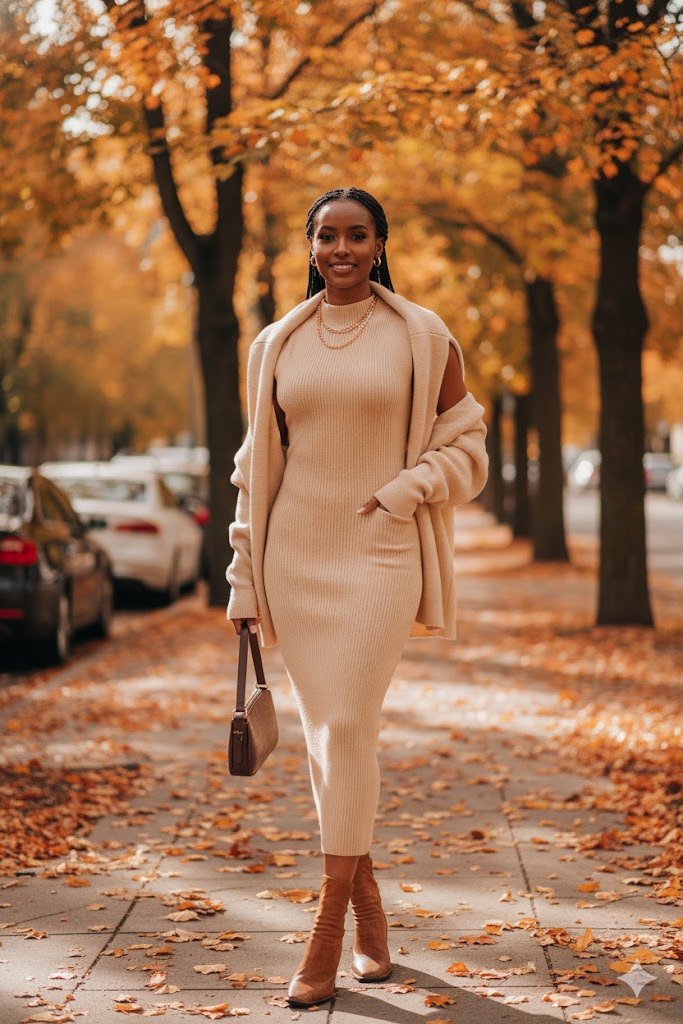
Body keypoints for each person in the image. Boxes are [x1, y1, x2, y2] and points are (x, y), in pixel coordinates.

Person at [227, 187, 488, 1009]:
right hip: (293, 559)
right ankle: (370, 914)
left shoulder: (421, 334)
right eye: (326, 236)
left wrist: (409, 489)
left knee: (345, 726)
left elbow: (468, 442)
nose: (341, 248)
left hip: (381, 553)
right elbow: (254, 470)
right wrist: (242, 579)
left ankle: (327, 927)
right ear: (309, 247)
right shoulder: (275, 342)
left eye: (357, 235)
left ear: (379, 245)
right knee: (326, 738)